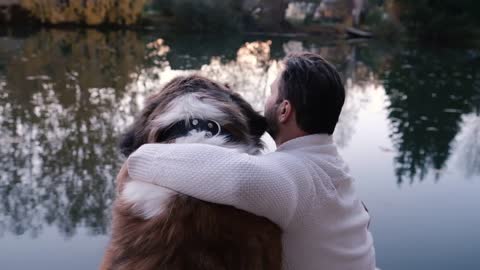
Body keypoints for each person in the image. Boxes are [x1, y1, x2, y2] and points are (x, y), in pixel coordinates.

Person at [127, 52, 376, 270]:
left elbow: (237, 179)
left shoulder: (290, 175)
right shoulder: (333, 164)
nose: (265, 101)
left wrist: (138, 158)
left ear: (284, 110)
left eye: (271, 93)